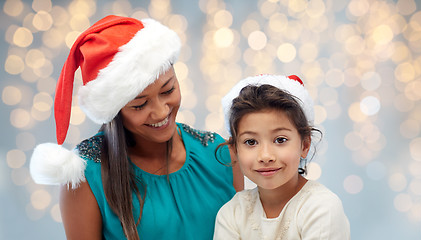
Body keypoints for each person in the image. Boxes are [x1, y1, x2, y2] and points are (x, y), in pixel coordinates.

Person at [29, 15, 243, 240]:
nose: (161, 112)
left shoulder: (219, 154)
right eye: (140, 104)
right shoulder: (84, 176)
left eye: (168, 90)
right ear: (114, 111)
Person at [214, 74, 350, 239]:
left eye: (280, 140)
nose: (265, 156)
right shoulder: (232, 213)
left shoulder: (321, 208)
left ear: (305, 145)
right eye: (251, 142)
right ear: (235, 150)